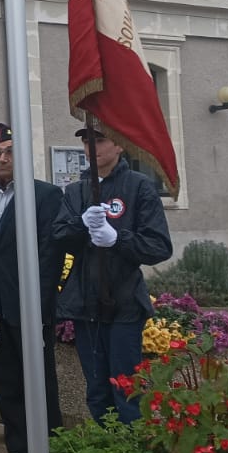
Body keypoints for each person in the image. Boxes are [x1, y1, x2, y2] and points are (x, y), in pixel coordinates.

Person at [50, 119, 174, 423]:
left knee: (127, 389)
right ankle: (106, 451)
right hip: (85, 304)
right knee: (96, 391)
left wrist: (118, 239)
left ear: (119, 145)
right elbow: (58, 236)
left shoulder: (138, 186)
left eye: (100, 140)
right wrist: (81, 224)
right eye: (86, 141)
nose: (91, 147)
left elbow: (159, 246)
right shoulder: (76, 191)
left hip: (123, 304)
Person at [0, 122, 66, 453]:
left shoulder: (45, 197)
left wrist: (37, 311)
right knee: (7, 389)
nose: (2, 159)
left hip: (30, 312)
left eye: (9, 152)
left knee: (41, 391)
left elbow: (50, 259)